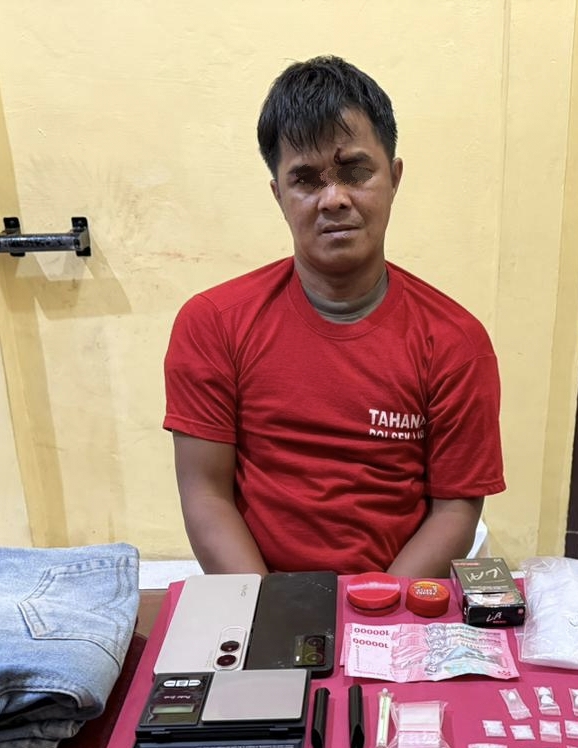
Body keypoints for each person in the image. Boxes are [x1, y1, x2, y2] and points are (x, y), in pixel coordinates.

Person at [163, 55, 504, 577]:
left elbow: (455, 510)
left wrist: (379, 609)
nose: (334, 199)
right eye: (305, 179)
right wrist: (270, 610)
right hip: (260, 594)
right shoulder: (213, 324)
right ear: (279, 195)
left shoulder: (455, 341)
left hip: (399, 596)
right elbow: (206, 495)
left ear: (394, 178)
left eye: (355, 172)